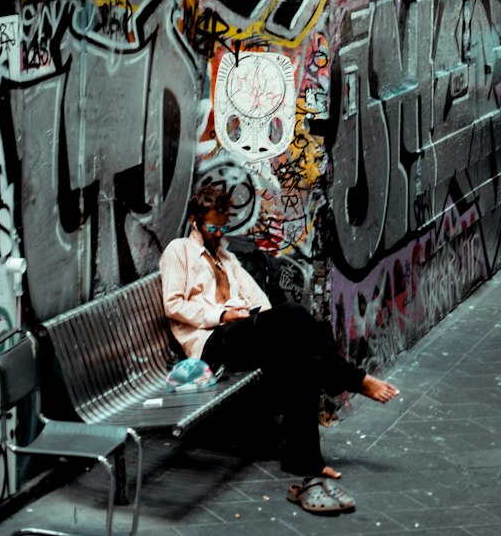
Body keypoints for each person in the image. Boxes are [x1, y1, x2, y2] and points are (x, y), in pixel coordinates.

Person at [159, 181, 398, 514]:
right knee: (298, 315)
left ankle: (306, 463)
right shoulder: (179, 251)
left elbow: (258, 299)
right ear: (195, 223)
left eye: (223, 226)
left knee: (299, 356)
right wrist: (222, 313)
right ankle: (352, 379)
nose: (217, 233)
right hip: (211, 343)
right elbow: (173, 305)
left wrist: (270, 325)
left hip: (244, 333)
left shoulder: (227, 256)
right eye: (211, 227)